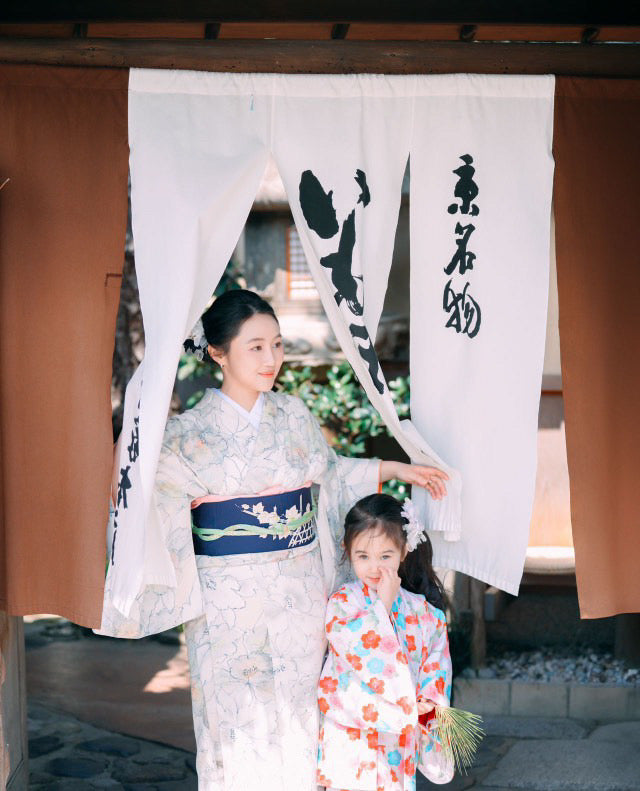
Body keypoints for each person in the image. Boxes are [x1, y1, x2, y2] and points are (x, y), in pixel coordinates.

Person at [100, 289, 448, 791]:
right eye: (256, 347)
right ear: (218, 352)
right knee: (233, 727)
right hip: (226, 604)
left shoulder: (292, 415)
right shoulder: (186, 432)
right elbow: (131, 488)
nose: (271, 359)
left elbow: (329, 475)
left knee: (302, 720)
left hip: (299, 596)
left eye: (278, 345)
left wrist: (395, 468)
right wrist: (137, 421)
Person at [317, 493, 454, 791]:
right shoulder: (343, 603)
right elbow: (352, 650)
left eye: (385, 556)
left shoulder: (424, 612)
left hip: (396, 738)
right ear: (348, 551)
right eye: (363, 556)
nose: (374, 567)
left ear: (404, 551)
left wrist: (429, 701)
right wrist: (382, 606)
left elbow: (437, 662)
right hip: (351, 734)